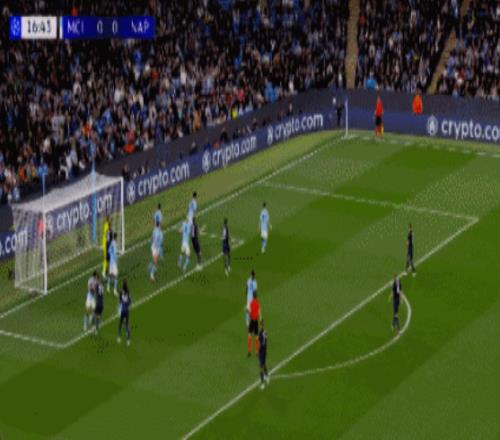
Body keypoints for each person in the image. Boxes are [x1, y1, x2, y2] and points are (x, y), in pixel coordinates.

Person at [117, 280, 132, 346]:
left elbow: (120, 301)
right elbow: (130, 302)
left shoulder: (121, 292)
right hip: (126, 310)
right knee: (126, 324)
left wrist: (120, 307)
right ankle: (128, 340)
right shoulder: (128, 292)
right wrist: (127, 304)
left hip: (122, 309)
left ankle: (119, 337)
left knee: (120, 323)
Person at [248, 291, 261, 357]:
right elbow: (259, 312)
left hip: (251, 321)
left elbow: (249, 312)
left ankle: (249, 351)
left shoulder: (251, 303)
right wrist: (260, 319)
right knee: (256, 336)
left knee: (249, 335)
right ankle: (256, 352)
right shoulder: (258, 303)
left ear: (253, 296)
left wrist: (248, 312)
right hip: (256, 321)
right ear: (256, 296)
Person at [258, 320, 269, 389]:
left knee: (261, 367)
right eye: (260, 325)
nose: (260, 326)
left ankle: (262, 384)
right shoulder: (264, 332)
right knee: (264, 364)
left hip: (262, 351)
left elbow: (262, 343)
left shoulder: (262, 333)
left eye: (261, 325)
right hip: (263, 351)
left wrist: (259, 348)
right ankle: (267, 376)